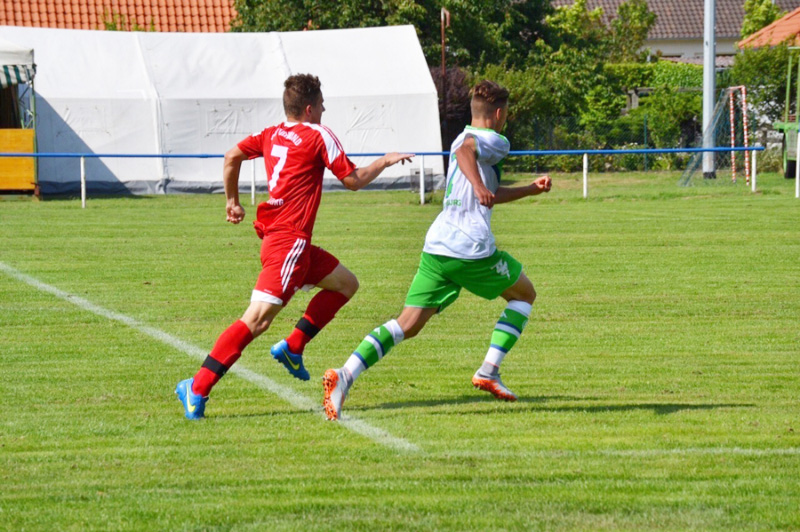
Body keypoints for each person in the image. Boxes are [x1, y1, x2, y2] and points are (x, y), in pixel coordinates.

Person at [176, 73, 413, 419]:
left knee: (346, 284)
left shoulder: (270, 134)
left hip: (283, 241)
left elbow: (231, 157)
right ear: (309, 108)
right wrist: (385, 160)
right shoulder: (318, 135)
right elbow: (352, 181)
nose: (324, 109)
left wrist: (232, 202)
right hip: (289, 244)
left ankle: (293, 347)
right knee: (256, 320)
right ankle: (197, 386)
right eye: (321, 104)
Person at [322, 80, 552, 420]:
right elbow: (467, 154)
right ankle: (488, 371)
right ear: (499, 114)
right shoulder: (493, 140)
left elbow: (485, 187)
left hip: (438, 245)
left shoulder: (462, 135)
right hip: (470, 249)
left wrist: (529, 190)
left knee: (408, 324)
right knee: (525, 295)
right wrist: (477, 184)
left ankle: (344, 375)